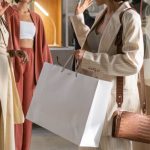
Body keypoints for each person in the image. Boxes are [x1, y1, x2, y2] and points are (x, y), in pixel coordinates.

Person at [70, 0, 144, 149]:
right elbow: (95, 47)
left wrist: (89, 59)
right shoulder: (102, 15)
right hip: (95, 98)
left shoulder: (130, 17)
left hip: (116, 103)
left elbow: (132, 62)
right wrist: (78, 18)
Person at [6, 0, 53, 150]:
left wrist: (49, 70)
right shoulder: (9, 13)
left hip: (32, 61)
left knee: (28, 108)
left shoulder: (36, 17)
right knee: (15, 106)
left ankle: (25, 147)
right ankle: (14, 145)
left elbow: (43, 45)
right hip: (15, 60)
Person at [0, 0, 28, 149]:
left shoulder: (4, 17)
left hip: (5, 68)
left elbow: (3, 46)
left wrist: (15, 52)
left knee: (7, 111)